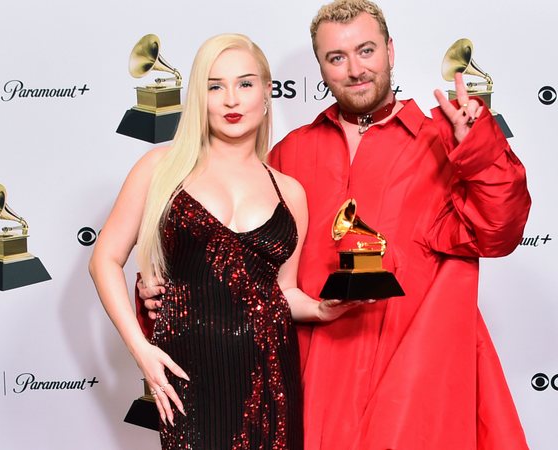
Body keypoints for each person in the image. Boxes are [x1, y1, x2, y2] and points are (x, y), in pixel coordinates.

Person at [141, 1, 532, 448]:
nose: (355, 70)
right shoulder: (289, 154)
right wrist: (164, 292)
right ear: (321, 69)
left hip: (412, 377)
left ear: (390, 50)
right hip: (311, 378)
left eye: (366, 51)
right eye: (336, 58)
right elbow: (240, 267)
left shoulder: (440, 142)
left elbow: (498, 231)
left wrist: (475, 150)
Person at [89, 33, 357, 450]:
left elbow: (283, 291)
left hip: (270, 375)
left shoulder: (290, 191)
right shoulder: (161, 167)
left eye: (245, 84)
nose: (232, 99)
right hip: (188, 372)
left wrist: (321, 309)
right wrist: (141, 350)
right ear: (200, 96)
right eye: (216, 86)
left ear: (268, 92)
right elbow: (104, 259)